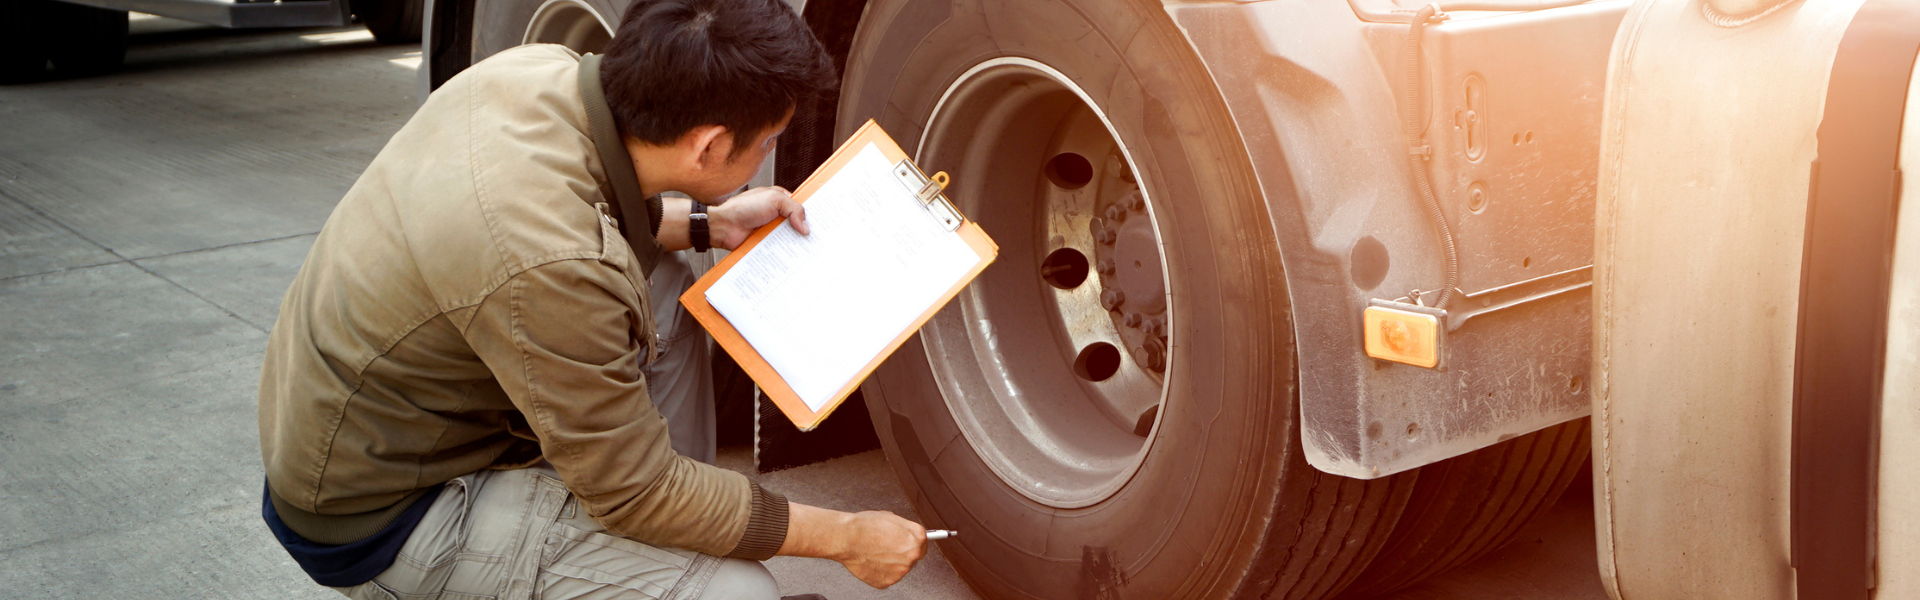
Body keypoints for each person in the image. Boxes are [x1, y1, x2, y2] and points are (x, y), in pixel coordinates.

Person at [254, 1, 927, 598]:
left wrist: (708, 224)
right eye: (769, 143)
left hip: (358, 423)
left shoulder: (534, 72)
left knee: (665, 280)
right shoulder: (555, 266)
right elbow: (636, 492)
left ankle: (661, 546)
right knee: (735, 590)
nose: (771, 152)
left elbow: (581, 202)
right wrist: (847, 537)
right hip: (384, 517)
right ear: (710, 144)